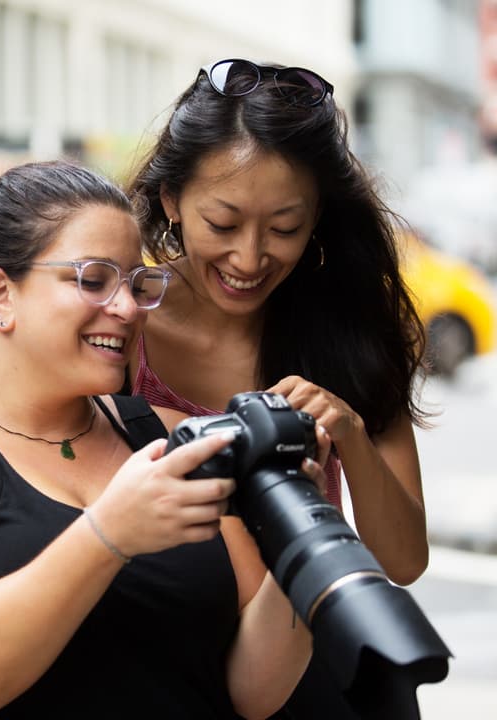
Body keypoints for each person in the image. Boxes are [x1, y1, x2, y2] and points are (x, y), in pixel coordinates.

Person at [0, 161, 327, 719]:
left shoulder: (171, 436)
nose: (128, 309)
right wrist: (108, 535)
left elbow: (254, 694)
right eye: (94, 280)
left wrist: (298, 546)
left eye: (136, 283)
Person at [125, 59, 430, 718]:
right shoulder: (120, 322)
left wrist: (348, 433)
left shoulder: (351, 328)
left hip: (324, 683)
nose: (250, 257)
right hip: (164, 677)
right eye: (223, 223)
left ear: (318, 216)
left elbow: (403, 561)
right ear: (172, 200)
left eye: (285, 228)